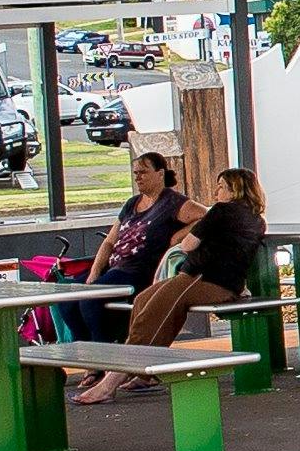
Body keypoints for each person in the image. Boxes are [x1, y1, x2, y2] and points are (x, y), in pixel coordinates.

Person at [88, 166, 267, 396]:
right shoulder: (257, 220)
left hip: (202, 278)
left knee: (152, 313)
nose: (216, 192)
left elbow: (188, 245)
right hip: (225, 285)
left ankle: (110, 382)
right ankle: (145, 372)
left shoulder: (221, 211)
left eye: (221, 187)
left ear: (235, 190)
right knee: (144, 299)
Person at [81, 151, 186, 342]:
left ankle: (102, 353)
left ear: (160, 174)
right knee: (67, 299)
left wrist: (179, 236)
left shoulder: (173, 202)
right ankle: (83, 347)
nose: (138, 177)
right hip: (114, 267)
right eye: (135, 173)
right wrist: (94, 272)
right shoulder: (132, 203)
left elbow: (206, 217)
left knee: (90, 299)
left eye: (143, 172)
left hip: (138, 271)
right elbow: (109, 241)